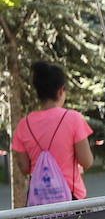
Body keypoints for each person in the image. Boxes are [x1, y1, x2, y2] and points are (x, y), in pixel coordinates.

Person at [12, 61, 95, 205]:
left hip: (39, 202)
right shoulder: (73, 118)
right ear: (61, 91)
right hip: (71, 199)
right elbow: (86, 162)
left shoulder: (24, 125)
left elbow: (24, 168)